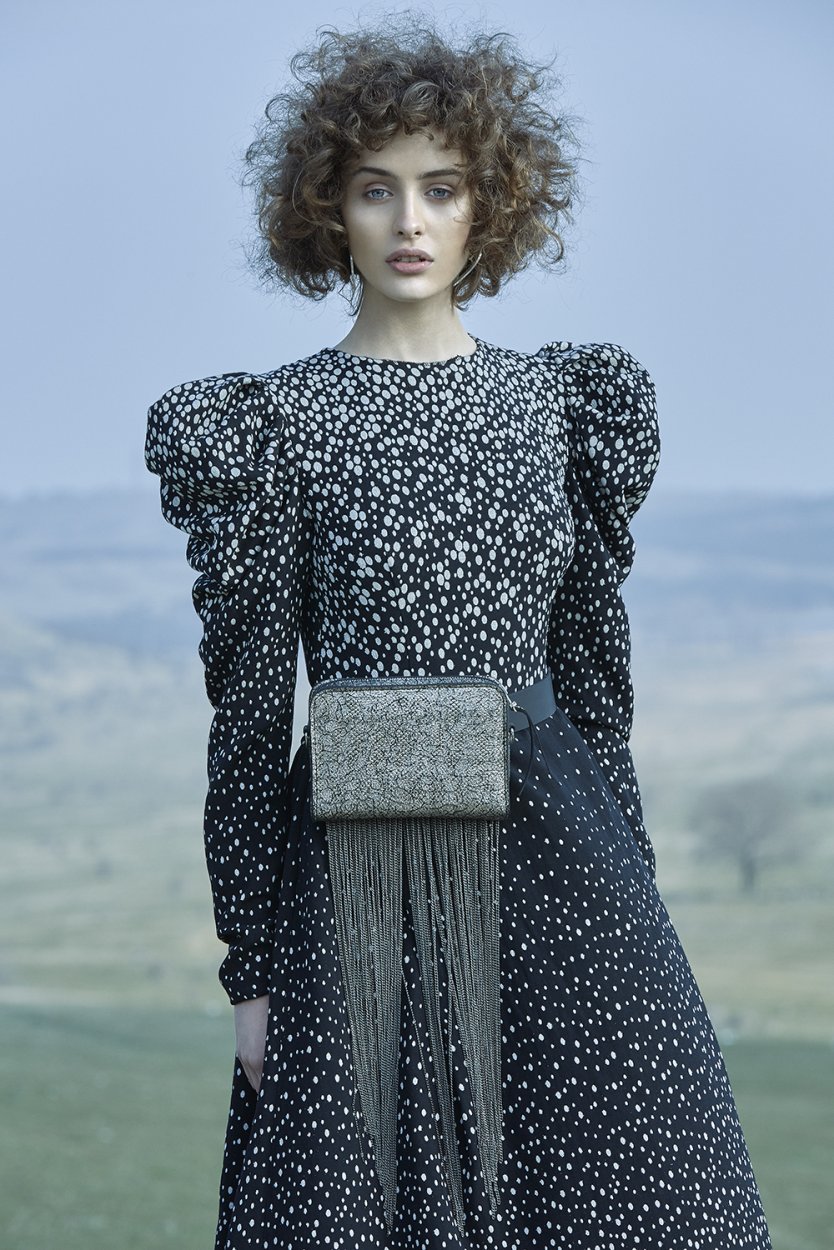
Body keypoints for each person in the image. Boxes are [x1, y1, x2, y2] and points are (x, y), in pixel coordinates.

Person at [145, 19, 772, 1250]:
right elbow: (249, 716)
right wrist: (251, 970)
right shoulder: (272, 428)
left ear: (491, 202)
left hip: (559, 863)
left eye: (442, 187)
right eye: (376, 190)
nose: (411, 222)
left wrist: (633, 897)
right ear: (329, 208)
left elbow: (595, 692)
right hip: (348, 882)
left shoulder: (560, 409)